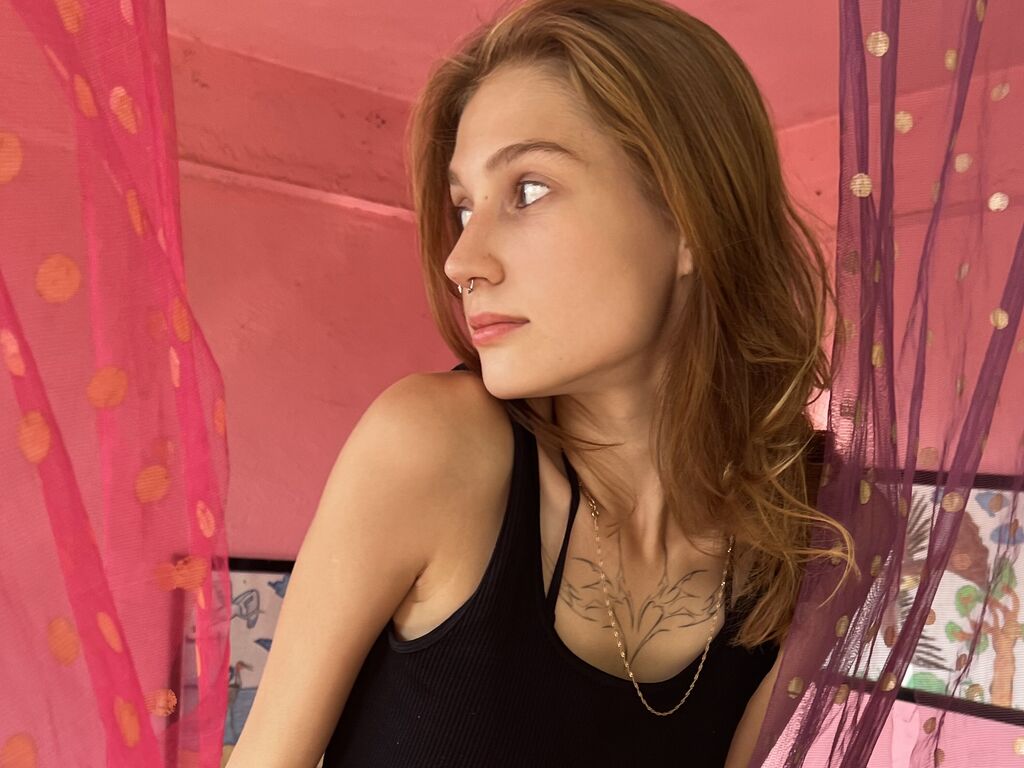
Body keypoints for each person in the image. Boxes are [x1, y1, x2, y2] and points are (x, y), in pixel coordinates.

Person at [226, 0, 852, 765]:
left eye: (527, 190)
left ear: (691, 220)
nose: (462, 262)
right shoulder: (434, 449)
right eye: (464, 208)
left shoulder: (809, 532)